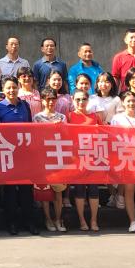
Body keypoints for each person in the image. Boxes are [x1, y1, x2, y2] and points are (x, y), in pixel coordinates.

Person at [0, 77, 37, 235]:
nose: (11, 90)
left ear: (18, 88)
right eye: (8, 88)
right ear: (3, 90)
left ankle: (29, 222)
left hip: (25, 153)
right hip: (7, 153)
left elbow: (30, 126)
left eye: (14, 87)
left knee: (27, 190)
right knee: (10, 191)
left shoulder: (25, 105)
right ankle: (11, 223)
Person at [111, 92, 135, 233]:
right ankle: (132, 221)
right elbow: (113, 138)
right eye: (128, 101)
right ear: (123, 103)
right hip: (126, 159)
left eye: (133, 101)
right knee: (129, 190)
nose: (131, 104)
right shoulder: (117, 119)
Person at [67, 88, 102, 232]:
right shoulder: (69, 116)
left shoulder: (94, 116)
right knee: (79, 190)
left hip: (93, 157)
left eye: (84, 99)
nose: (81, 102)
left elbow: (104, 133)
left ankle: (94, 220)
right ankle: (82, 220)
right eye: (78, 99)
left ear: (88, 100)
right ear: (72, 100)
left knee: (94, 189)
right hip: (77, 159)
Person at [34, 88, 68, 232]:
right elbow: (36, 137)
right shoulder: (37, 117)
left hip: (58, 157)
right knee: (45, 192)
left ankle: (58, 219)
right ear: (42, 100)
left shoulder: (62, 117)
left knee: (58, 191)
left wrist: (60, 128)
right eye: (47, 99)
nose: (50, 102)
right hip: (43, 158)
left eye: (53, 99)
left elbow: (67, 135)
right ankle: (48, 219)